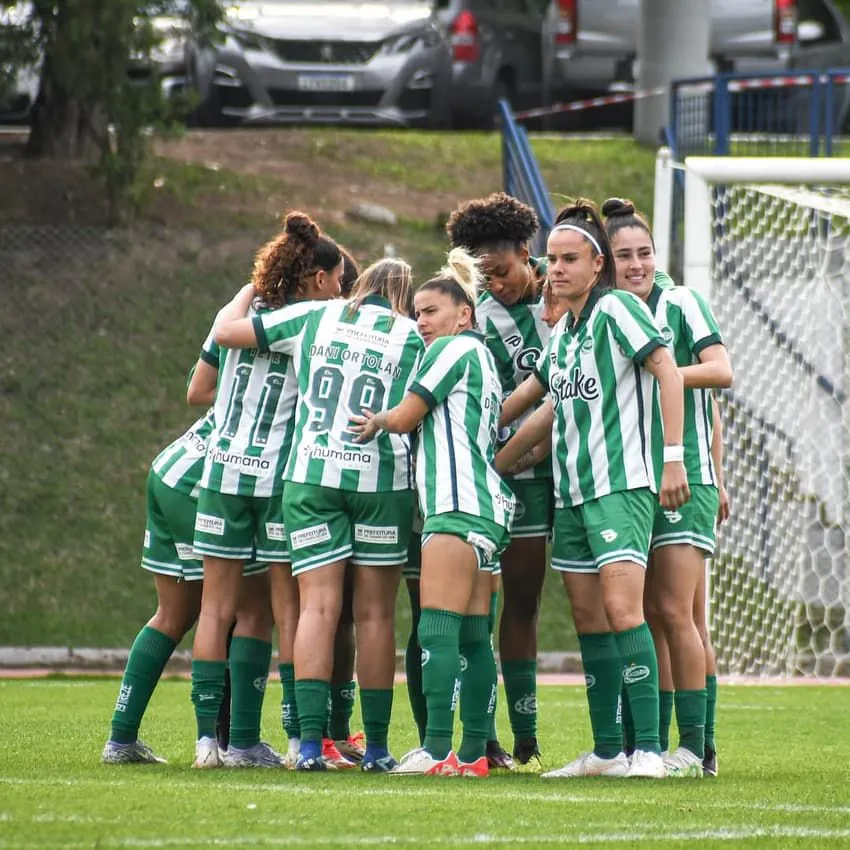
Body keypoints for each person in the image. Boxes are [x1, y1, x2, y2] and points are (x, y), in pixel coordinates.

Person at [496, 199, 689, 780]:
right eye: (551, 259)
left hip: (620, 486)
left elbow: (668, 371)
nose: (555, 269)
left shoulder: (618, 310)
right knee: (589, 619)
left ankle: (649, 750)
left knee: (624, 611)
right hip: (573, 495)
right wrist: (493, 461)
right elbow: (540, 406)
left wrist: (673, 458)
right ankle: (608, 751)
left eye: (568, 259)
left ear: (597, 263)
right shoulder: (565, 334)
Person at [215, 257, 424, 772]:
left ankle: (310, 745)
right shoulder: (413, 334)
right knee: (375, 615)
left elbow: (228, 334)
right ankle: (377, 748)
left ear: (359, 285)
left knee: (316, 610)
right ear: (405, 296)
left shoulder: (316, 315)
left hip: (312, 478)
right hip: (381, 481)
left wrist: (248, 290)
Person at [351, 248, 515, 778]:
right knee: (474, 637)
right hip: (486, 509)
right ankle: (472, 754)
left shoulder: (451, 349)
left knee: (437, 628)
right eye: (417, 312)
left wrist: (377, 419)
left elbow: (406, 416)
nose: (421, 321)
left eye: (430, 311)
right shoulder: (483, 357)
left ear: (463, 314)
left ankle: (438, 748)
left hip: (454, 504)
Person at [190, 212, 344, 769]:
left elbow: (198, 390)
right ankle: (299, 739)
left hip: (221, 473)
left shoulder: (239, 314)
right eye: (337, 280)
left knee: (215, 611)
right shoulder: (317, 319)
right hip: (278, 479)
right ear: (318, 278)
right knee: (289, 612)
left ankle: (207, 743)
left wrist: (249, 288)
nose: (341, 290)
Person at [602, 197, 732, 778]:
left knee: (679, 611)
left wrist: (714, 476)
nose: (637, 265)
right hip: (634, 481)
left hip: (684, 477)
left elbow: (721, 372)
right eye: (624, 255)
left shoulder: (680, 302)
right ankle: (650, 745)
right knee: (651, 612)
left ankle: (698, 747)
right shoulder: (608, 314)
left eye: (645, 253)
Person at [101, 335, 267, 764]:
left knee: (175, 613)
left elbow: (197, 387)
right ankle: (240, 743)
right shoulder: (298, 333)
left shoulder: (238, 320)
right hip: (209, 482)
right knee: (251, 609)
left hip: (173, 468)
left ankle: (120, 739)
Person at [445, 192, 550, 770]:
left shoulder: (565, 296)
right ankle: (483, 736)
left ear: (526, 255)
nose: (496, 285)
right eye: (484, 276)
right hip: (500, 475)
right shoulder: (475, 317)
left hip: (564, 472)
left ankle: (528, 734)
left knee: (528, 601)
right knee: (481, 604)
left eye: (503, 271)